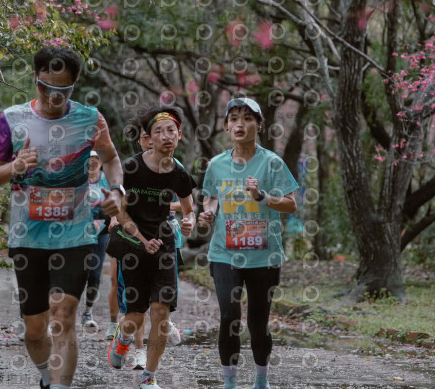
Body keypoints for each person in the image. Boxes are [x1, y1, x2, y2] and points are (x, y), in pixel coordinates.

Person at [0, 47, 124, 389]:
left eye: (63, 90)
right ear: (35, 79)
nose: (53, 97)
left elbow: (111, 159)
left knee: (63, 316)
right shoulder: (11, 119)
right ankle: (48, 377)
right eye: (45, 87)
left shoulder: (91, 119)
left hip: (75, 235)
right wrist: (14, 167)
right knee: (34, 329)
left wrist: (117, 191)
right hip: (27, 237)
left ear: (74, 85)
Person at [198, 98, 298, 389]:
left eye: (248, 118)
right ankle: (229, 383)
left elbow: (291, 204)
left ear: (260, 125)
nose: (240, 124)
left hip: (264, 256)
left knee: (257, 321)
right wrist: (209, 212)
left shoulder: (272, 162)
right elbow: (211, 197)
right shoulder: (216, 164)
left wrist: (261, 196)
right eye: (234, 118)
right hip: (224, 253)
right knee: (229, 315)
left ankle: (261, 380)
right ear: (226, 126)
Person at [107, 107, 196, 389]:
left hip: (164, 247)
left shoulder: (179, 173)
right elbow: (122, 213)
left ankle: (149, 377)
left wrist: (189, 222)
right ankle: (123, 337)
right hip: (134, 245)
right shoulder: (132, 168)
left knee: (161, 312)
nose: (166, 136)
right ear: (149, 138)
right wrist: (143, 240)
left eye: (171, 131)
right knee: (135, 315)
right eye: (159, 131)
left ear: (179, 135)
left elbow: (189, 209)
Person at [81, 151, 112, 328]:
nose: (93, 162)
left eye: (96, 159)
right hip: (78, 233)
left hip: (100, 233)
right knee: (76, 273)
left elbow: (115, 203)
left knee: (94, 274)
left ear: (101, 162)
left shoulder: (106, 180)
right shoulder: (78, 179)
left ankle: (87, 312)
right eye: (90, 159)